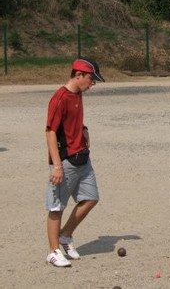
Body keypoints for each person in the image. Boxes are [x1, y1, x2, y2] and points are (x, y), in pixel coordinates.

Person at [45, 57, 105, 267]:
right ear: (78, 75)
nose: (93, 84)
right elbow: (51, 132)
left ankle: (66, 235)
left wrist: (84, 129)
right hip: (65, 161)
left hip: (82, 158)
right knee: (56, 207)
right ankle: (53, 251)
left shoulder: (78, 94)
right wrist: (57, 166)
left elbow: (72, 121)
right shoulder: (60, 98)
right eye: (91, 79)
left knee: (91, 199)